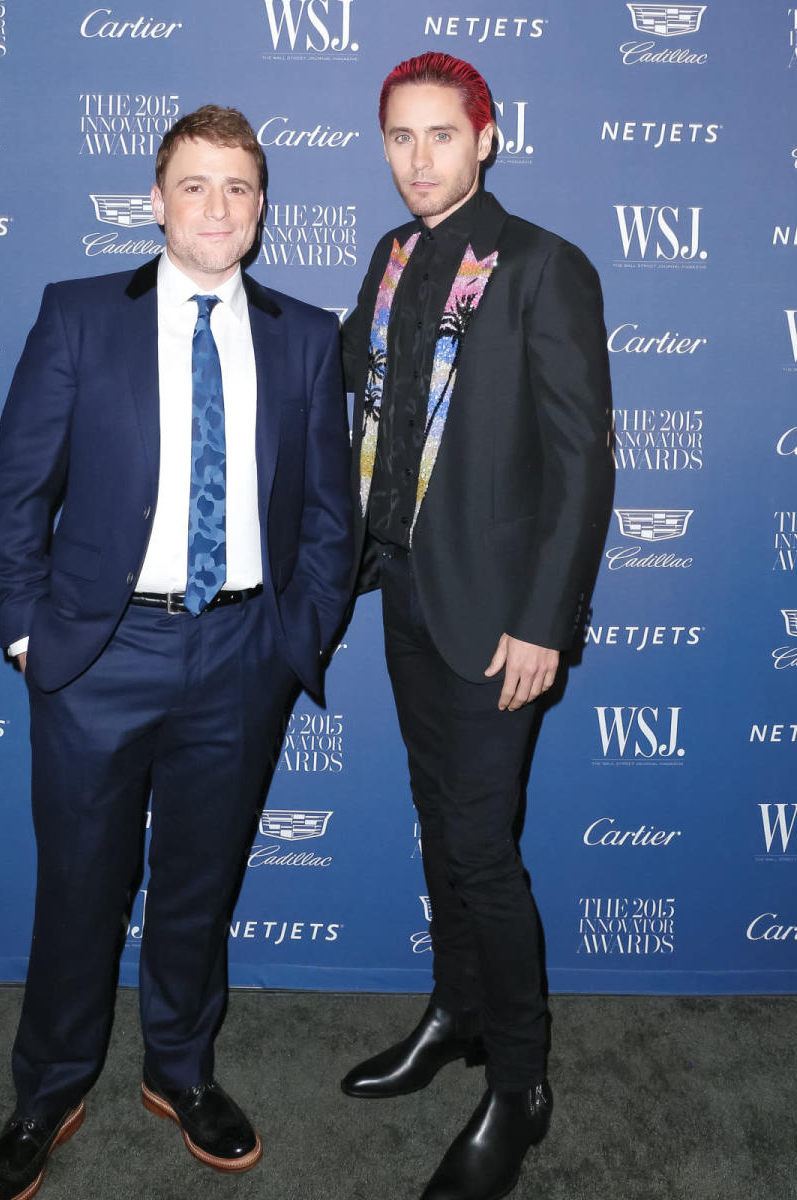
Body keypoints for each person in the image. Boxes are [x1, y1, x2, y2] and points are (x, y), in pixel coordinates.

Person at [0, 104, 353, 1200]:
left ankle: (181, 1072)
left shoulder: (305, 336)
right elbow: (15, 494)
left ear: (263, 206)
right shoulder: (79, 317)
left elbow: (331, 513)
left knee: (200, 883)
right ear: (157, 200)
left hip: (242, 652)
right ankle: (47, 1088)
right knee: (80, 885)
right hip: (99, 653)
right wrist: (31, 631)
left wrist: (297, 635)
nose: (218, 208)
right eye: (195, 186)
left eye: (239, 187)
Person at [340, 53, 614, 1200]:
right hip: (406, 595)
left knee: (482, 848)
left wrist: (546, 622)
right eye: (398, 137)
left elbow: (580, 465)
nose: (417, 159)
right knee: (435, 823)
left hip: (499, 622)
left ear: (486, 138)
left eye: (439, 136)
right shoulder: (392, 259)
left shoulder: (547, 267)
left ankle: (522, 1082)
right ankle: (456, 1010)